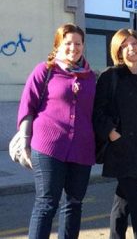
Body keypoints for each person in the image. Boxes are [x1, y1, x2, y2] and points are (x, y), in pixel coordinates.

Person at [16, 23, 96, 238]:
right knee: (46, 203)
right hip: (49, 146)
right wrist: (24, 141)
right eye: (68, 43)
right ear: (58, 45)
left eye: (78, 43)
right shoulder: (45, 70)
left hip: (82, 149)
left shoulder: (91, 77)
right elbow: (27, 105)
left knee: (73, 204)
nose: (73, 47)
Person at [93, 29, 137, 239]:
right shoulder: (110, 76)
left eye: (134, 43)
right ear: (118, 50)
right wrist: (112, 134)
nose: (131, 48)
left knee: (123, 201)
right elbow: (98, 112)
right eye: (124, 45)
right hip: (120, 149)